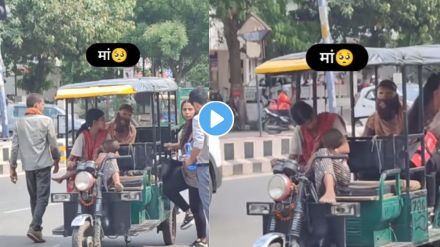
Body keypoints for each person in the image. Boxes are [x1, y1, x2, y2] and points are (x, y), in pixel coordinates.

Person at [9, 93, 60, 243]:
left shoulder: (19, 123)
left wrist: (13, 167)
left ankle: (37, 231)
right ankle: (34, 226)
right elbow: (53, 144)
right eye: (43, 104)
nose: (43, 107)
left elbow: (14, 147)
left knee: (34, 198)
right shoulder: (46, 121)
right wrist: (57, 160)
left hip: (29, 167)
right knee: (42, 198)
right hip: (43, 165)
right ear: (37, 105)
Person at [163, 100, 208, 246]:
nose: (187, 112)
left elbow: (198, 145)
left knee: (196, 206)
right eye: (184, 110)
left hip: (195, 169)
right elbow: (185, 144)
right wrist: (173, 145)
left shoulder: (197, 124)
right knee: (194, 206)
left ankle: (203, 239)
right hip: (187, 168)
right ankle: (201, 237)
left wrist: (191, 159)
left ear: (195, 110)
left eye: (190, 109)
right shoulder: (188, 126)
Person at [56, 109, 111, 192]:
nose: (105, 122)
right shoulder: (83, 136)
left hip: (102, 170)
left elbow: (111, 150)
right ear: (94, 122)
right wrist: (70, 163)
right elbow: (71, 158)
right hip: (85, 170)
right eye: (102, 119)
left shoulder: (106, 134)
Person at [186, 87, 210, 246]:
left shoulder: (197, 119)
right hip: (212, 164)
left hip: (202, 165)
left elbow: (199, 143)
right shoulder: (211, 115)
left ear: (195, 104)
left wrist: (190, 160)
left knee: (205, 204)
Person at [289, 101, 346, 166]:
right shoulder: (299, 129)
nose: (312, 124)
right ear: (302, 125)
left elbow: (345, 147)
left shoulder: (332, 120)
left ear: (313, 113)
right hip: (310, 168)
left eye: (312, 119)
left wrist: (326, 154)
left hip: (335, 165)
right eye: (307, 124)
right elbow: (293, 156)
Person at [53, 139, 124, 192]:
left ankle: (117, 183)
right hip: (99, 177)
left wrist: (101, 159)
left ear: (104, 148)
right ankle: (64, 181)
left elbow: (97, 164)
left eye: (102, 146)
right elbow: (96, 164)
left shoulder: (107, 155)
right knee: (80, 170)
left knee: (115, 172)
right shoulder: (104, 155)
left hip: (107, 177)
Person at [308, 128, 351, 203]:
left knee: (323, 153)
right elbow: (307, 170)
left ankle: (330, 192)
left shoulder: (338, 151)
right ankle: (328, 190)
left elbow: (347, 148)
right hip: (321, 186)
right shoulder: (319, 156)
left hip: (343, 177)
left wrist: (332, 151)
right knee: (321, 155)